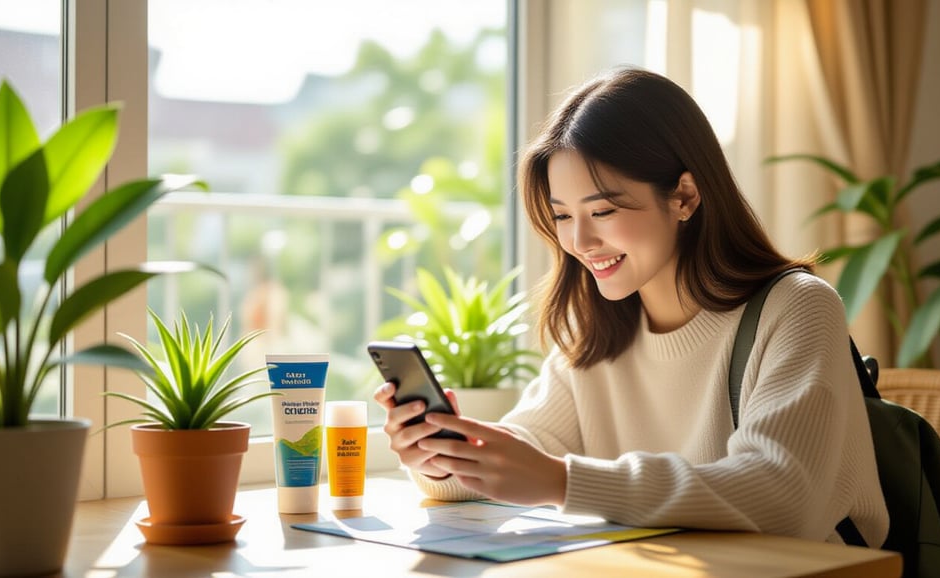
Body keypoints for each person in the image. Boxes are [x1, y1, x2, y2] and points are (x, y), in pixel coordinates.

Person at [374, 67, 889, 546]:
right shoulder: (595, 326)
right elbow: (527, 450)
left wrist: (562, 480)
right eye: (562, 215)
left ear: (684, 196)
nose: (580, 240)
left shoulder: (795, 308)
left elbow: (783, 496)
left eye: (602, 210)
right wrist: (443, 457)